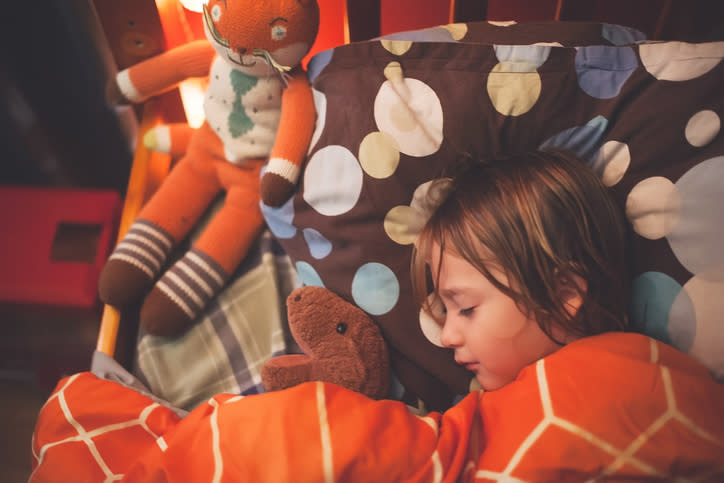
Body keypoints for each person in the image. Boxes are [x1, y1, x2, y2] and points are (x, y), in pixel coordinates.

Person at [411, 149, 630, 391]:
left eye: (466, 309)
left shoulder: (631, 385)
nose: (446, 337)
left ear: (563, 294)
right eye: (445, 309)